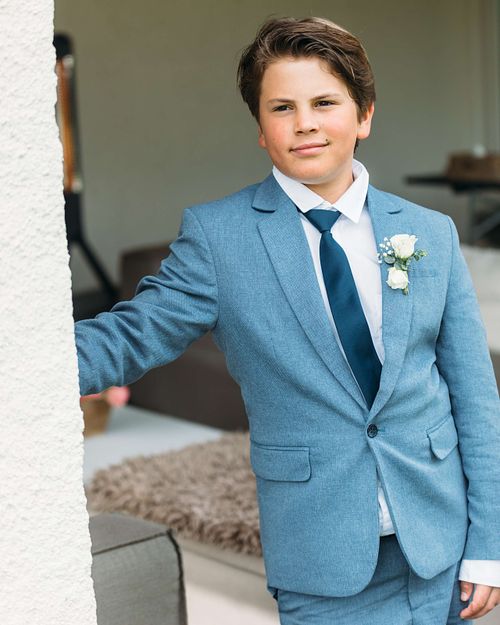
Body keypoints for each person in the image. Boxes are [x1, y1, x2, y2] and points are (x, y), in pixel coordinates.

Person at [75, 16, 500, 624]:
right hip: (322, 564)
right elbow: (130, 334)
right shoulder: (219, 237)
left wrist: (489, 544)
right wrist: (29, 362)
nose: (305, 123)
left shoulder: (429, 231)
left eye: (325, 102)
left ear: (364, 115)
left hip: (441, 546)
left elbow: (475, 398)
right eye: (282, 107)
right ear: (260, 128)